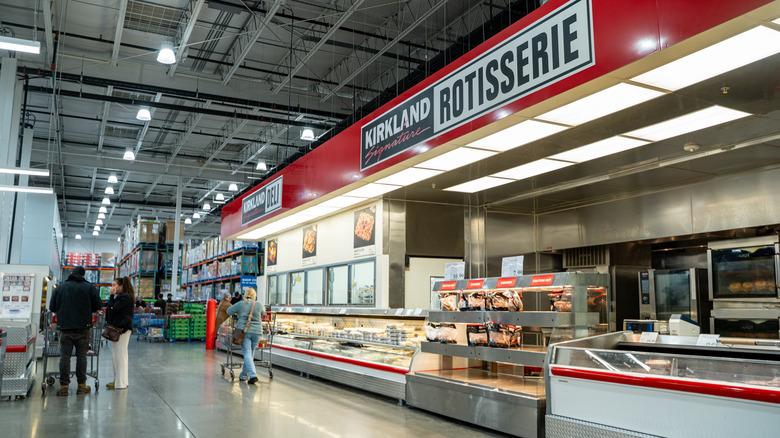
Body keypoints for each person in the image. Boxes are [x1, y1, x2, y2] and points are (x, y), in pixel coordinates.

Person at [48, 266, 102, 396]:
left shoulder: (60, 288)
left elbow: (52, 307)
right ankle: (81, 386)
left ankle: (64, 386)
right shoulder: (89, 287)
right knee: (81, 357)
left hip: (65, 328)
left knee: (65, 357)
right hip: (83, 328)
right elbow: (98, 306)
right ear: (83, 275)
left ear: (71, 274)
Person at [226, 288, 264, 384]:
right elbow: (264, 312)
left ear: (245, 294)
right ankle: (243, 375)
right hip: (257, 332)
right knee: (250, 354)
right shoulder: (258, 304)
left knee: (247, 353)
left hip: (244, 331)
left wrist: (238, 313)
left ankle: (253, 375)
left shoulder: (240, 304)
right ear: (254, 295)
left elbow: (228, 311)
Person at [106, 277, 134, 390]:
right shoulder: (124, 297)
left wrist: (111, 296)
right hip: (121, 329)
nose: (112, 287)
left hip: (122, 329)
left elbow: (112, 309)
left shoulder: (124, 297)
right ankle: (119, 380)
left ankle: (120, 383)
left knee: (120, 356)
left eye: (114, 285)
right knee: (118, 355)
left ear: (121, 286)